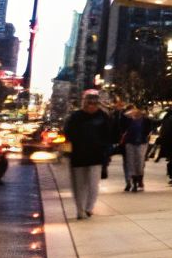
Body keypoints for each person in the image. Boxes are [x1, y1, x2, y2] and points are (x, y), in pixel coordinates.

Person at [62, 90, 115, 219]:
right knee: (79, 186)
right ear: (84, 103)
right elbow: (67, 136)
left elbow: (109, 136)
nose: (91, 106)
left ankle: (88, 208)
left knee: (93, 184)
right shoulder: (75, 117)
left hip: (96, 155)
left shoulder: (103, 117)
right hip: (78, 156)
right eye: (89, 103)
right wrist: (67, 153)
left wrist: (107, 153)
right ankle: (80, 210)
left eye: (94, 103)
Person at [117, 104, 151, 192]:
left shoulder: (145, 119)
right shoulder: (127, 119)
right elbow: (121, 126)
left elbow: (149, 128)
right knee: (131, 163)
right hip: (130, 143)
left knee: (139, 162)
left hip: (141, 143)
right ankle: (134, 182)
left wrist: (146, 136)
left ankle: (139, 179)